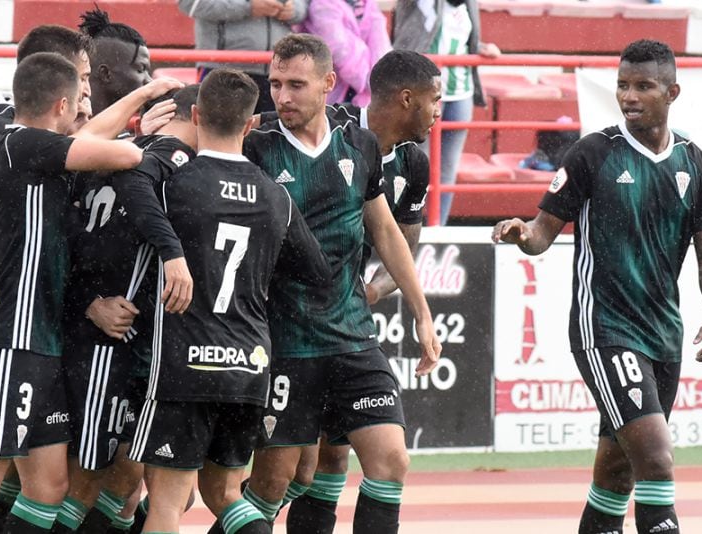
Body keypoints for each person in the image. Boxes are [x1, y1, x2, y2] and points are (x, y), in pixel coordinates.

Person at [0, 51, 170, 533]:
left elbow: (88, 140)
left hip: (40, 339)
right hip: (10, 336)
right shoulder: (20, 143)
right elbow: (127, 154)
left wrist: (140, 97)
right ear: (61, 104)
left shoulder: (29, 146)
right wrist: (151, 132)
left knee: (48, 487)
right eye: (80, 100)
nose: (84, 111)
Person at [491, 39, 702, 534]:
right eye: (623, 85)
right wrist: (522, 234)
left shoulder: (698, 165)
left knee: (617, 472)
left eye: (643, 86)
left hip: (663, 336)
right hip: (604, 329)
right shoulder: (593, 154)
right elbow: (541, 235)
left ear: (672, 92)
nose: (629, 96)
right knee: (657, 459)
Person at [231, 34, 441, 534]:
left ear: (329, 84)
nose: (282, 96)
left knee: (390, 461)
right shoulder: (256, 148)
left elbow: (387, 231)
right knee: (276, 484)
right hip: (286, 342)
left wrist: (423, 313)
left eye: (296, 85)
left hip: (352, 337)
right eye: (276, 84)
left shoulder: (361, 146)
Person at [130, 67, 330, 534]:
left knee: (167, 500)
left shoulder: (176, 182)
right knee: (225, 494)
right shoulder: (275, 195)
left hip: (186, 362)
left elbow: (132, 189)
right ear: (249, 125)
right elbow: (318, 273)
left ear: (195, 114)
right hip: (247, 364)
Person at [55, 85, 200, 534]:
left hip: (142, 346)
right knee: (85, 481)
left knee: (135, 483)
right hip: (103, 345)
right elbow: (58, 250)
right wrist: (88, 304)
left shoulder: (119, 152)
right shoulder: (161, 158)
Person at [393, 0, 500, 224]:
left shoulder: (468, 4)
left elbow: (459, 37)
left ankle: (437, 226)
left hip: (460, 91)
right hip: (423, 91)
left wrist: (479, 47)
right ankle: (406, 225)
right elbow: (413, 34)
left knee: (447, 168)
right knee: (415, 164)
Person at [178, 0, 308, 113]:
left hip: (276, 71)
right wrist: (248, 7)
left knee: (273, 134)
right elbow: (192, 4)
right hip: (223, 69)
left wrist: (293, 9)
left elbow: (305, 5)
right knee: (220, 133)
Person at [296, 0, 391, 107]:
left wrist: (383, 78)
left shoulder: (369, 5)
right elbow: (339, 50)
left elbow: (381, 46)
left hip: (367, 92)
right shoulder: (322, 5)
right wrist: (372, 81)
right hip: (334, 92)